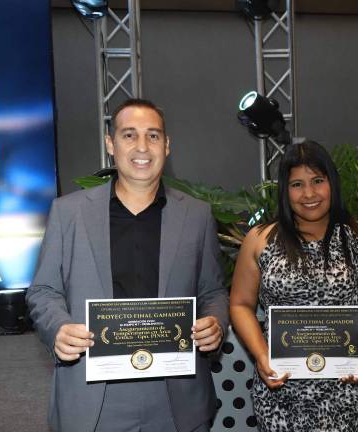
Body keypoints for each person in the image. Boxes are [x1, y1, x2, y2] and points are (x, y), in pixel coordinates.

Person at [26, 98, 229, 432]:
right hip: (93, 394)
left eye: (153, 136)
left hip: (175, 396)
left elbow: (213, 290)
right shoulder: (68, 212)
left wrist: (215, 322)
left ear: (167, 145)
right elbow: (44, 289)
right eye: (129, 135)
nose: (142, 146)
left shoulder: (197, 216)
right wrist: (58, 328)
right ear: (111, 144)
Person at [229, 140, 358, 432]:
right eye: (297, 185)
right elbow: (240, 304)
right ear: (285, 190)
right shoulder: (260, 239)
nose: (309, 194)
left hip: (344, 387)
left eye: (318, 181)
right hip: (280, 388)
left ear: (332, 183)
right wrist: (261, 355)